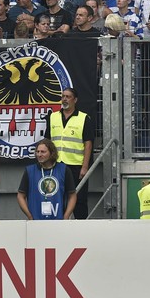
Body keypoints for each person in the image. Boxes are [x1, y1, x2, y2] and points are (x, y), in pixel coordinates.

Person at [45, 87, 93, 219]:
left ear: (75, 100)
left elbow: (88, 144)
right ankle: (58, 225)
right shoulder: (53, 117)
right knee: (56, 197)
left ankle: (81, 227)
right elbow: (47, 142)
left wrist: (85, 166)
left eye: (68, 96)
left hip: (76, 166)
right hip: (56, 166)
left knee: (80, 200)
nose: (64, 99)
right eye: (63, 96)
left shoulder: (83, 118)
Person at [16, 138, 76, 220]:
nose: (39, 154)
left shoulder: (64, 170)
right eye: (37, 151)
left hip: (58, 221)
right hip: (36, 222)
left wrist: (66, 216)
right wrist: (29, 216)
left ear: (52, 153)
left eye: (43, 152)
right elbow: (20, 196)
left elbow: (72, 195)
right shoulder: (29, 171)